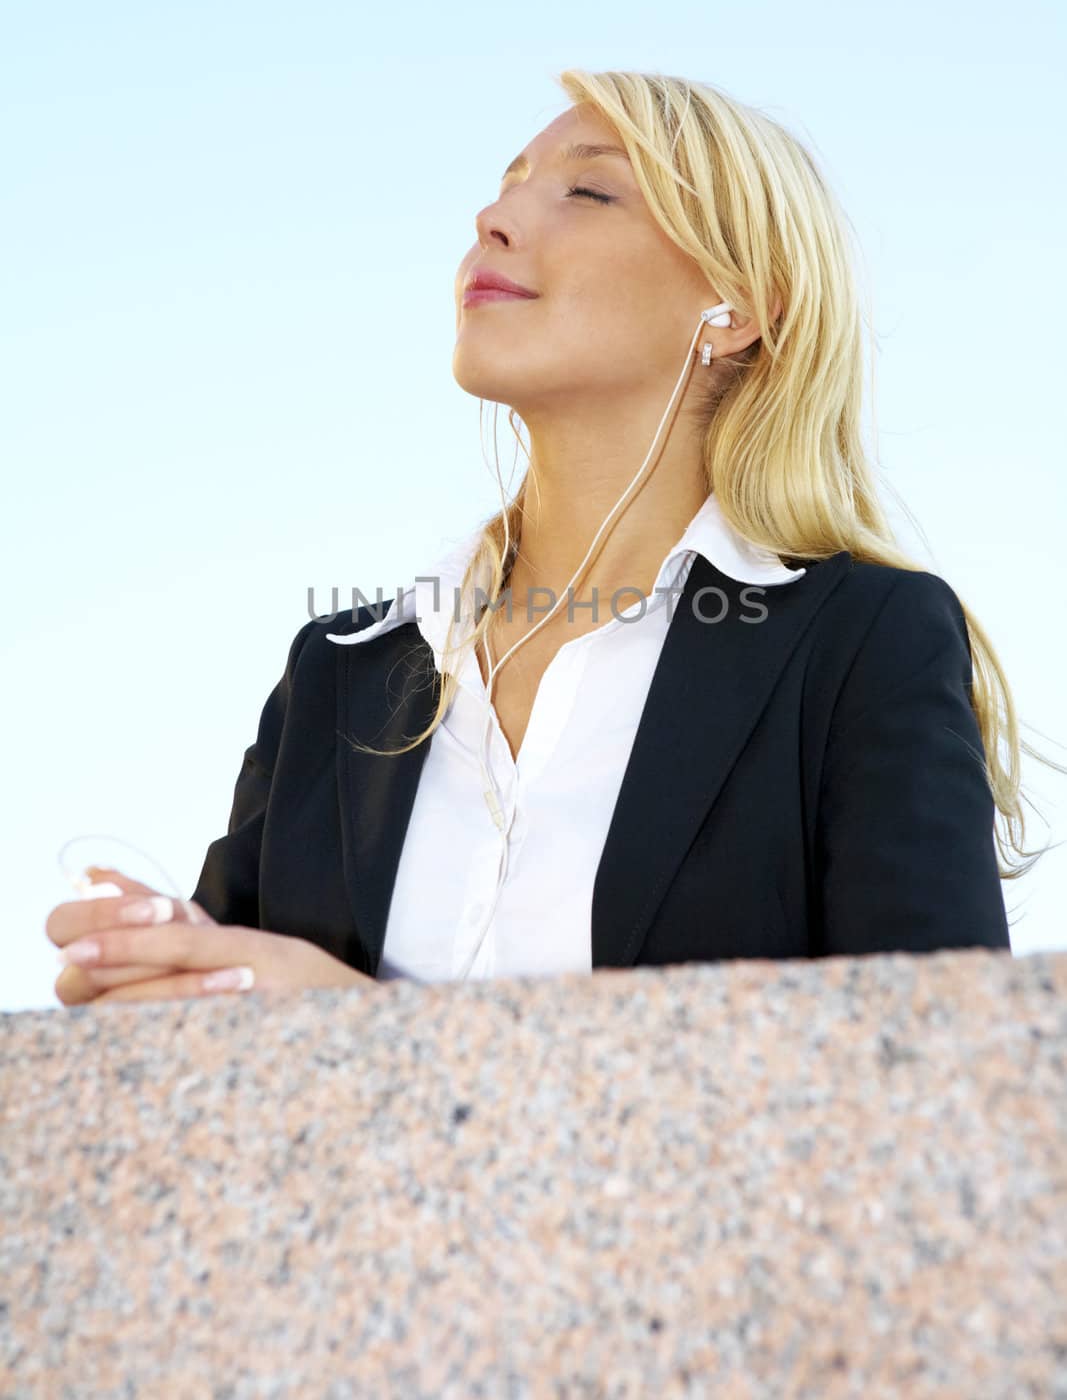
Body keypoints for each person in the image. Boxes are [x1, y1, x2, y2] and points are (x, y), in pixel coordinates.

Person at [48, 68, 1061, 1006]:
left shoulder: (861, 640)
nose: (491, 220)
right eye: (504, 187)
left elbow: (932, 1067)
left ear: (735, 309)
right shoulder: (335, 674)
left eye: (588, 193)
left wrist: (350, 1027)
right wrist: (162, 968)